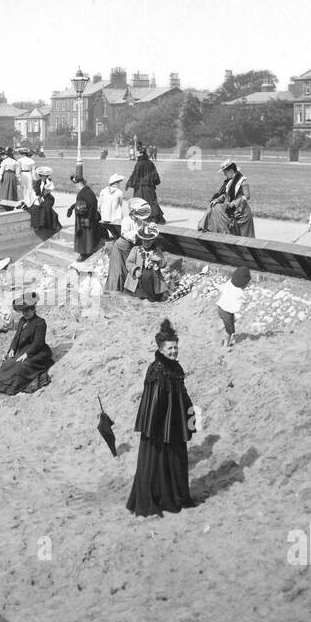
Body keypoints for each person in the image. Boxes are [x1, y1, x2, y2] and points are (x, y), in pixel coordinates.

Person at [127, 318, 199, 517]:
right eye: (170, 348)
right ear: (161, 348)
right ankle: (159, 499)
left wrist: (190, 417)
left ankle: (177, 497)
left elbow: (182, 395)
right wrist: (157, 430)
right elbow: (154, 404)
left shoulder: (175, 367)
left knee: (177, 460)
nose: (174, 351)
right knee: (157, 463)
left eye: (176, 348)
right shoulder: (157, 369)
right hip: (158, 429)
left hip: (174, 426)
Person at [0, 292, 53, 395]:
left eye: (27, 310)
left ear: (33, 309)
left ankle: (10, 388)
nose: (25, 313)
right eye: (23, 311)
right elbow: (16, 337)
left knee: (20, 367)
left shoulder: (40, 322)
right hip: (22, 349)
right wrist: (12, 349)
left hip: (37, 352)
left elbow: (38, 343)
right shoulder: (22, 320)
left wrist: (27, 354)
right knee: (7, 364)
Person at [105, 198, 151, 293]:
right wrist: (138, 232)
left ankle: (128, 288)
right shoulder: (126, 220)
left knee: (128, 267)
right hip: (121, 245)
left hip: (130, 246)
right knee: (118, 269)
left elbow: (142, 229)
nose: (137, 217)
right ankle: (115, 288)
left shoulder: (140, 221)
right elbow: (126, 234)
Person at [209, 161, 255, 237]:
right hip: (233, 212)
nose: (224, 175)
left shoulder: (243, 181)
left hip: (243, 214)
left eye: (225, 173)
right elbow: (226, 195)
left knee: (246, 238)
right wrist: (217, 200)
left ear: (231, 171)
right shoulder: (230, 182)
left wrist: (234, 203)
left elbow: (247, 196)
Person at [125, 224, 168, 301]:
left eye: (149, 241)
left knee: (153, 296)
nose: (146, 243)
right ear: (141, 240)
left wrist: (159, 260)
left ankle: (152, 297)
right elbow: (128, 262)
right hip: (138, 278)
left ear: (152, 240)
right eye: (144, 241)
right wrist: (135, 270)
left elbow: (164, 264)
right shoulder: (136, 249)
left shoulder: (157, 250)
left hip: (153, 279)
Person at [68, 169, 104, 260]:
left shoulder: (82, 193)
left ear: (80, 183)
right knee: (87, 238)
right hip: (90, 218)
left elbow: (82, 210)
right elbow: (85, 204)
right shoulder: (88, 191)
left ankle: (84, 255)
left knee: (83, 238)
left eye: (75, 184)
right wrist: (72, 207)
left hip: (84, 220)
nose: (75, 186)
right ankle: (86, 253)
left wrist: (75, 209)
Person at [127, 148, 164, 224]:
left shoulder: (139, 163)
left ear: (141, 153)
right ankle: (154, 218)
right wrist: (156, 182)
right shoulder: (150, 163)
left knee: (141, 203)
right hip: (150, 188)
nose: (136, 153)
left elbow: (135, 175)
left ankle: (145, 218)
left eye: (137, 152)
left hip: (140, 189)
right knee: (152, 202)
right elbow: (155, 175)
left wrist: (129, 183)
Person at [217, 265, 251, 347]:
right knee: (229, 331)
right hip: (227, 312)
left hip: (220, 308)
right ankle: (225, 345)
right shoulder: (240, 293)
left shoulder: (228, 283)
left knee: (228, 322)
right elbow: (238, 307)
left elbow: (221, 288)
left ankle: (221, 328)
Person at [98, 172, 126, 239]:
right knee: (118, 232)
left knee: (110, 230)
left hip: (105, 216)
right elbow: (121, 204)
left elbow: (99, 203)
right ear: (116, 183)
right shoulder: (119, 192)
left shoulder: (103, 191)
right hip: (115, 218)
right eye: (119, 182)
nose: (120, 184)